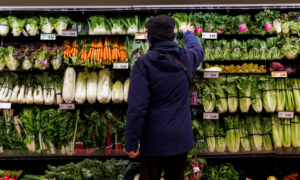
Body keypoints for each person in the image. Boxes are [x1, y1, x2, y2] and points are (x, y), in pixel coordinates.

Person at [125, 14, 204, 180]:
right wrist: (188, 33)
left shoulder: (143, 63)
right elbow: (198, 50)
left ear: (150, 38)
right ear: (173, 36)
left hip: (153, 140)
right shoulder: (186, 58)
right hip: (180, 138)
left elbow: (137, 107)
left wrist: (132, 142)